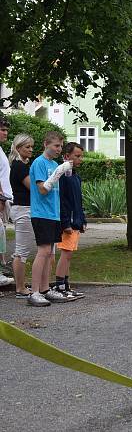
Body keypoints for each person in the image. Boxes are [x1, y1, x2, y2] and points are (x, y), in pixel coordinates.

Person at [28, 131, 74, 306]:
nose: (59, 149)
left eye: (61, 146)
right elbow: (42, 189)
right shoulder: (39, 163)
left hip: (52, 213)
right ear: (46, 144)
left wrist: (62, 171)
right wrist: (59, 171)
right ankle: (34, 291)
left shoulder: (54, 163)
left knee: (49, 254)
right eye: (56, 145)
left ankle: (45, 289)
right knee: (43, 251)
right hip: (41, 213)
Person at [53, 142, 87, 299]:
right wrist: (65, 222)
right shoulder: (62, 177)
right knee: (65, 253)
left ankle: (66, 285)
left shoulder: (75, 176)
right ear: (66, 156)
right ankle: (59, 286)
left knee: (69, 254)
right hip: (68, 222)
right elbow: (63, 201)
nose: (81, 159)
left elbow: (77, 201)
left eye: (81, 156)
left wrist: (82, 220)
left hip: (76, 221)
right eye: (77, 156)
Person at [9, 134, 37, 297]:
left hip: (22, 208)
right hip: (23, 209)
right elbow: (33, 188)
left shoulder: (19, 165)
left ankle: (21, 285)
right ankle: (20, 288)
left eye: (32, 146)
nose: (31, 150)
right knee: (22, 251)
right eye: (27, 147)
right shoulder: (19, 166)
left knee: (23, 250)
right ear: (18, 148)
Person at [0, 119, 14, 287]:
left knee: (2, 234)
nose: (5, 133)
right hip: (2, 198)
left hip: (6, 197)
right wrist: (1, 197)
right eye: (2, 130)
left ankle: (2, 268)